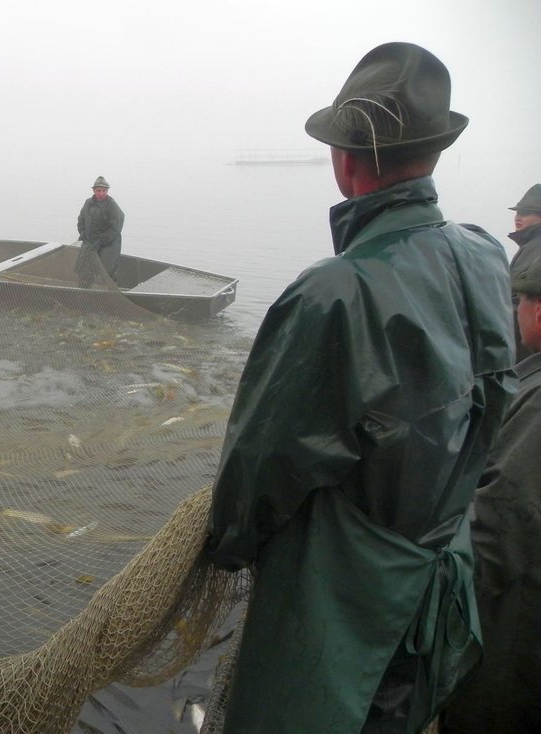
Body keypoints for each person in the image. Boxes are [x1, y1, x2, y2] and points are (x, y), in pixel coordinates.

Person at [204, 42, 515, 734]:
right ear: (434, 155)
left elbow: (261, 468)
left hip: (342, 609)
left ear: (345, 164)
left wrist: (226, 546)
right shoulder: (488, 254)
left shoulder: (333, 294)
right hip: (439, 584)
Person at [439, 241, 541, 733]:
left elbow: (501, 526)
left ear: (538, 312)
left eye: (518, 302)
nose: (513, 314)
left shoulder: (538, 404)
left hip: (516, 639)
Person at [507, 184, 541, 361]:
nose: (518, 218)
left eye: (526, 213)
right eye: (517, 212)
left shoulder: (535, 247)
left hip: (523, 354)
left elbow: (516, 302)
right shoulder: (530, 245)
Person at [76, 176, 124, 281]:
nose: (101, 193)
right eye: (98, 190)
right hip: (90, 241)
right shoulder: (87, 203)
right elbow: (81, 219)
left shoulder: (112, 205)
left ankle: (110, 294)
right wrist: (83, 232)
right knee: (84, 270)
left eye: (104, 190)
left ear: (107, 191)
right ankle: (84, 292)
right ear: (93, 190)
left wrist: (103, 240)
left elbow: (116, 227)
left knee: (107, 273)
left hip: (108, 244)